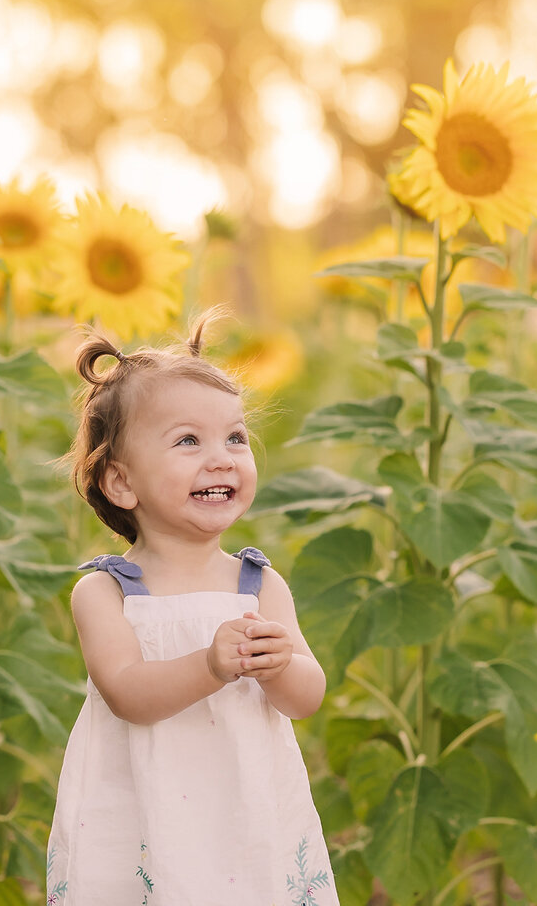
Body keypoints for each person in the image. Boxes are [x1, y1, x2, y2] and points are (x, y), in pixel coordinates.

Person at [46, 313, 337, 906]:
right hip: (145, 814)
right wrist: (209, 665)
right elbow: (129, 694)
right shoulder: (107, 592)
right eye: (188, 441)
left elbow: (306, 699)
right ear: (122, 483)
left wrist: (282, 666)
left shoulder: (259, 585)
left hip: (245, 812)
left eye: (235, 438)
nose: (223, 458)